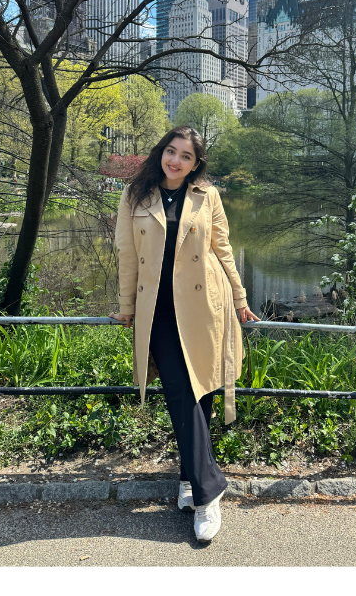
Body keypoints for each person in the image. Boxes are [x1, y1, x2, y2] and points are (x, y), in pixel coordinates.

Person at [109, 126, 258, 543]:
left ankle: (190, 481)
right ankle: (209, 491)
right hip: (157, 310)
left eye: (186, 156)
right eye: (171, 151)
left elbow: (223, 249)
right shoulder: (135, 194)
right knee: (182, 392)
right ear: (161, 152)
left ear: (196, 164)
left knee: (201, 392)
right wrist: (126, 306)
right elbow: (126, 252)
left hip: (204, 305)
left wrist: (240, 297)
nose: (175, 160)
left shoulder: (206, 195)